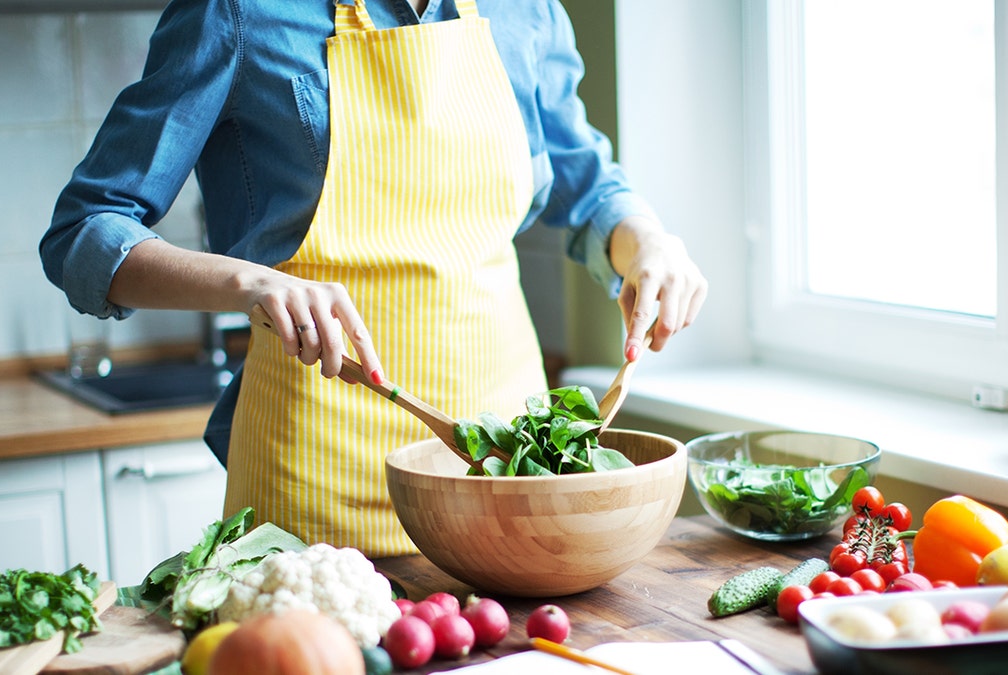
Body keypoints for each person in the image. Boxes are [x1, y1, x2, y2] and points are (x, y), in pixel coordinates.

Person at [41, 0, 707, 557]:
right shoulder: (235, 12)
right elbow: (86, 230)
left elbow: (587, 185)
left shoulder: (523, 9)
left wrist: (648, 240)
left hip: (508, 471)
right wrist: (248, 283)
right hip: (316, 480)